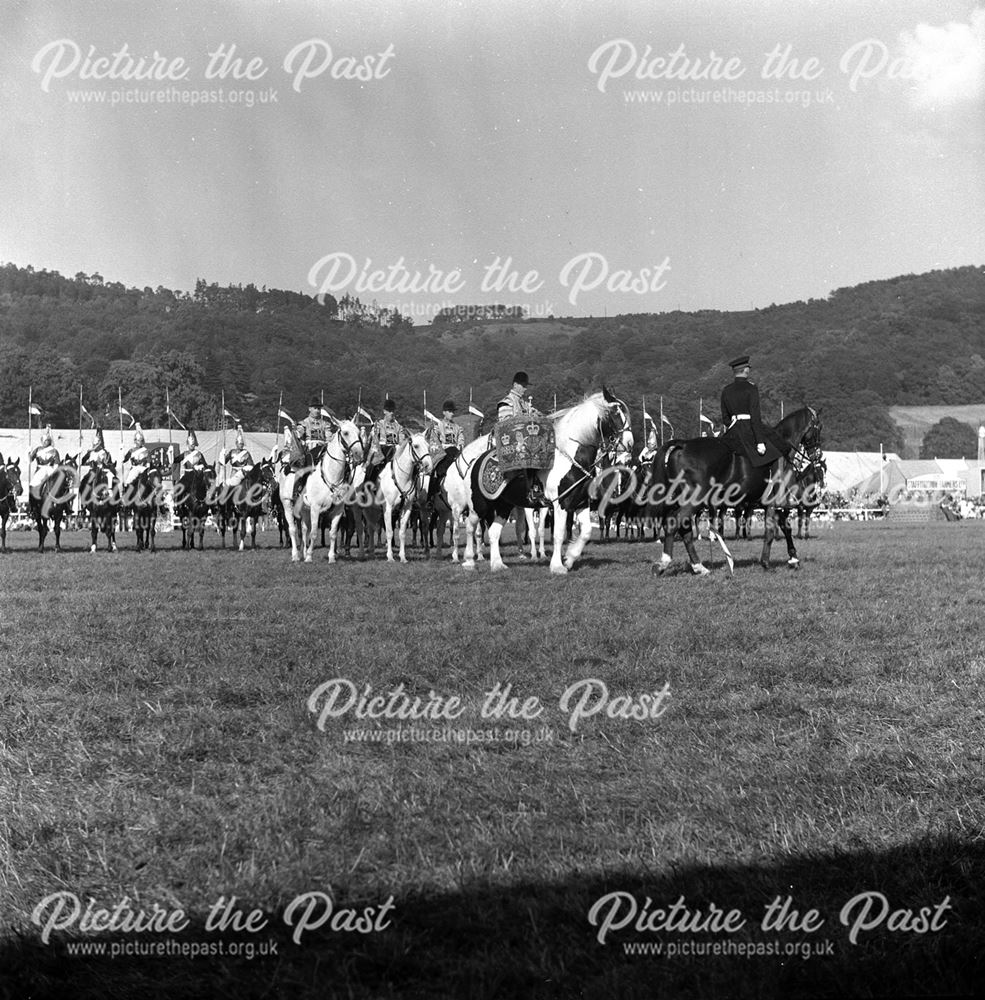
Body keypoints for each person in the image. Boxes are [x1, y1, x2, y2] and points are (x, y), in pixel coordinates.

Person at [720, 355, 786, 467]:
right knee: (779, 452)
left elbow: (725, 418)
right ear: (745, 370)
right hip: (748, 430)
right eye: (748, 368)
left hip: (732, 431)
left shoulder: (726, 390)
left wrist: (733, 425)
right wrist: (759, 441)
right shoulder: (751, 388)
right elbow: (755, 417)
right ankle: (775, 483)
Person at [497, 371, 548, 506]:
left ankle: (538, 485)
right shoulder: (507, 402)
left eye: (526, 385)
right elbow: (504, 424)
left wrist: (543, 417)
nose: (525, 388)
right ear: (515, 385)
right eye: (523, 385)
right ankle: (532, 487)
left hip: (524, 442)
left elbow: (536, 414)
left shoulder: (525, 403)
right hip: (512, 442)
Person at [426, 400, 466, 499]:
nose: (452, 413)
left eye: (453, 411)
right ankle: (431, 497)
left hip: (455, 452)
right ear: (444, 412)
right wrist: (441, 448)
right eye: (450, 411)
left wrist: (460, 446)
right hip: (444, 453)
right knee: (435, 471)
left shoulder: (457, 427)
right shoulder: (439, 425)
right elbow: (434, 440)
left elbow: (461, 440)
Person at [220, 423, 255, 500]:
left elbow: (251, 464)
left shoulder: (246, 453)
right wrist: (222, 454)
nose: (241, 445)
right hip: (234, 473)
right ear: (236, 443)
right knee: (230, 488)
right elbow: (223, 462)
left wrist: (247, 468)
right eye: (239, 444)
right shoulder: (232, 452)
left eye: (242, 444)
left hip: (244, 473)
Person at [29, 425, 61, 498]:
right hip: (39, 471)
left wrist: (53, 471)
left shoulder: (54, 451)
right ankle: (32, 503)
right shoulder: (38, 449)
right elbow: (30, 460)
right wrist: (28, 452)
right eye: (45, 440)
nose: (46, 442)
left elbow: (56, 464)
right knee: (32, 486)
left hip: (50, 470)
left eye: (47, 441)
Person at [297, 398, 330, 467]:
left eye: (319, 409)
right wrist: (299, 431)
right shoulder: (304, 422)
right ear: (310, 409)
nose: (317, 411)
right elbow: (299, 436)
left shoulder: (325, 424)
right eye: (315, 408)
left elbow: (328, 437)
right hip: (309, 450)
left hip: (322, 450)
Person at [122, 424, 152, 496]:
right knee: (127, 482)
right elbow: (124, 460)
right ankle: (126, 498)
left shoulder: (146, 450)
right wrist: (121, 450)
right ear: (135, 441)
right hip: (134, 469)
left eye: (141, 440)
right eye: (138, 440)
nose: (139, 442)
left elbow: (148, 461)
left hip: (143, 469)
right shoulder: (131, 451)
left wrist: (148, 469)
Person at [374, 398, 404, 463]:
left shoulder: (399, 427)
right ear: (384, 411)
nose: (392, 413)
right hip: (381, 452)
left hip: (394, 453)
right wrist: (379, 453)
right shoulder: (379, 424)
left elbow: (401, 442)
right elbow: (375, 440)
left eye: (393, 410)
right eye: (389, 411)